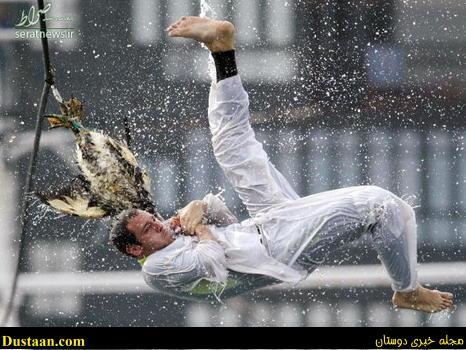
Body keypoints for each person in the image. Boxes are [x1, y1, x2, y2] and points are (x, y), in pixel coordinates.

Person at [109, 16, 454, 312]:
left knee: (230, 142)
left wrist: (200, 208)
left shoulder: (167, 244)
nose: (158, 225)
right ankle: (407, 291)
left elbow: (226, 225)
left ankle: (221, 49)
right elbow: (213, 265)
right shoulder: (155, 269)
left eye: (153, 219)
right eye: (150, 229)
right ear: (137, 248)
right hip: (281, 253)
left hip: (266, 225)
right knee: (378, 205)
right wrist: (197, 227)